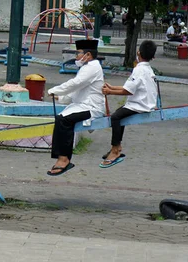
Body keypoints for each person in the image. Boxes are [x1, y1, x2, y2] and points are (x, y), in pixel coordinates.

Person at [46, 39, 106, 176]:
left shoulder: (92, 67)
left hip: (91, 107)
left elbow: (75, 83)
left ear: (88, 55)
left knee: (64, 120)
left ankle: (64, 159)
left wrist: (55, 90)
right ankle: (62, 157)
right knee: (60, 118)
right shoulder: (87, 68)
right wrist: (61, 98)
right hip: (82, 105)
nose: (76, 56)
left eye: (78, 53)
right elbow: (77, 90)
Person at [101, 40, 158, 168]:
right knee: (120, 114)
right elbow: (130, 87)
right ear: (153, 57)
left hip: (140, 105)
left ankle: (115, 149)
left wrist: (110, 92)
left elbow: (128, 91)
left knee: (115, 117)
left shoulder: (138, 70)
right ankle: (117, 146)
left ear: (138, 53)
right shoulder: (148, 69)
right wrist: (112, 87)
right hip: (146, 102)